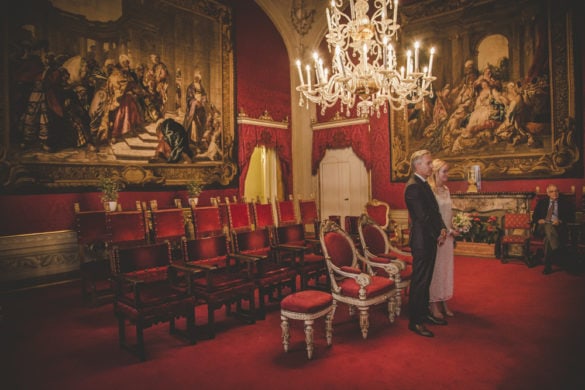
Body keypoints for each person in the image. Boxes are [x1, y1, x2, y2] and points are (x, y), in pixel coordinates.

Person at [404, 150, 448, 337]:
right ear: (418, 165)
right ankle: (415, 321)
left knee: (426, 280)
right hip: (422, 240)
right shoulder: (413, 186)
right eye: (428, 163)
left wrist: (442, 229)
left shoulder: (423, 184)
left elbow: (435, 211)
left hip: (429, 237)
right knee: (420, 281)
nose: (431, 166)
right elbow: (422, 217)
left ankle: (423, 314)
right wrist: (436, 233)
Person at [427, 159, 458, 319]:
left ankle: (444, 300)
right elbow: (431, 217)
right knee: (436, 271)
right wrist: (440, 232)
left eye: (447, 171)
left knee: (446, 270)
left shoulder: (446, 189)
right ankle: (433, 303)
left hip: (448, 236)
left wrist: (454, 228)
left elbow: (449, 213)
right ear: (436, 172)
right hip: (437, 237)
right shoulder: (430, 190)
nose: (447, 174)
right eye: (444, 171)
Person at [532, 184, 575, 275]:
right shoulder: (541, 202)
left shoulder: (565, 203)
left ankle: (547, 266)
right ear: (548, 193)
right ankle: (559, 251)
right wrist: (539, 220)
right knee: (547, 225)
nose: (554, 193)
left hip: (558, 228)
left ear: (558, 192)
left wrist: (560, 221)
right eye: (552, 191)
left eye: (556, 191)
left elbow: (571, 217)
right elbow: (534, 216)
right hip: (542, 228)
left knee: (547, 240)